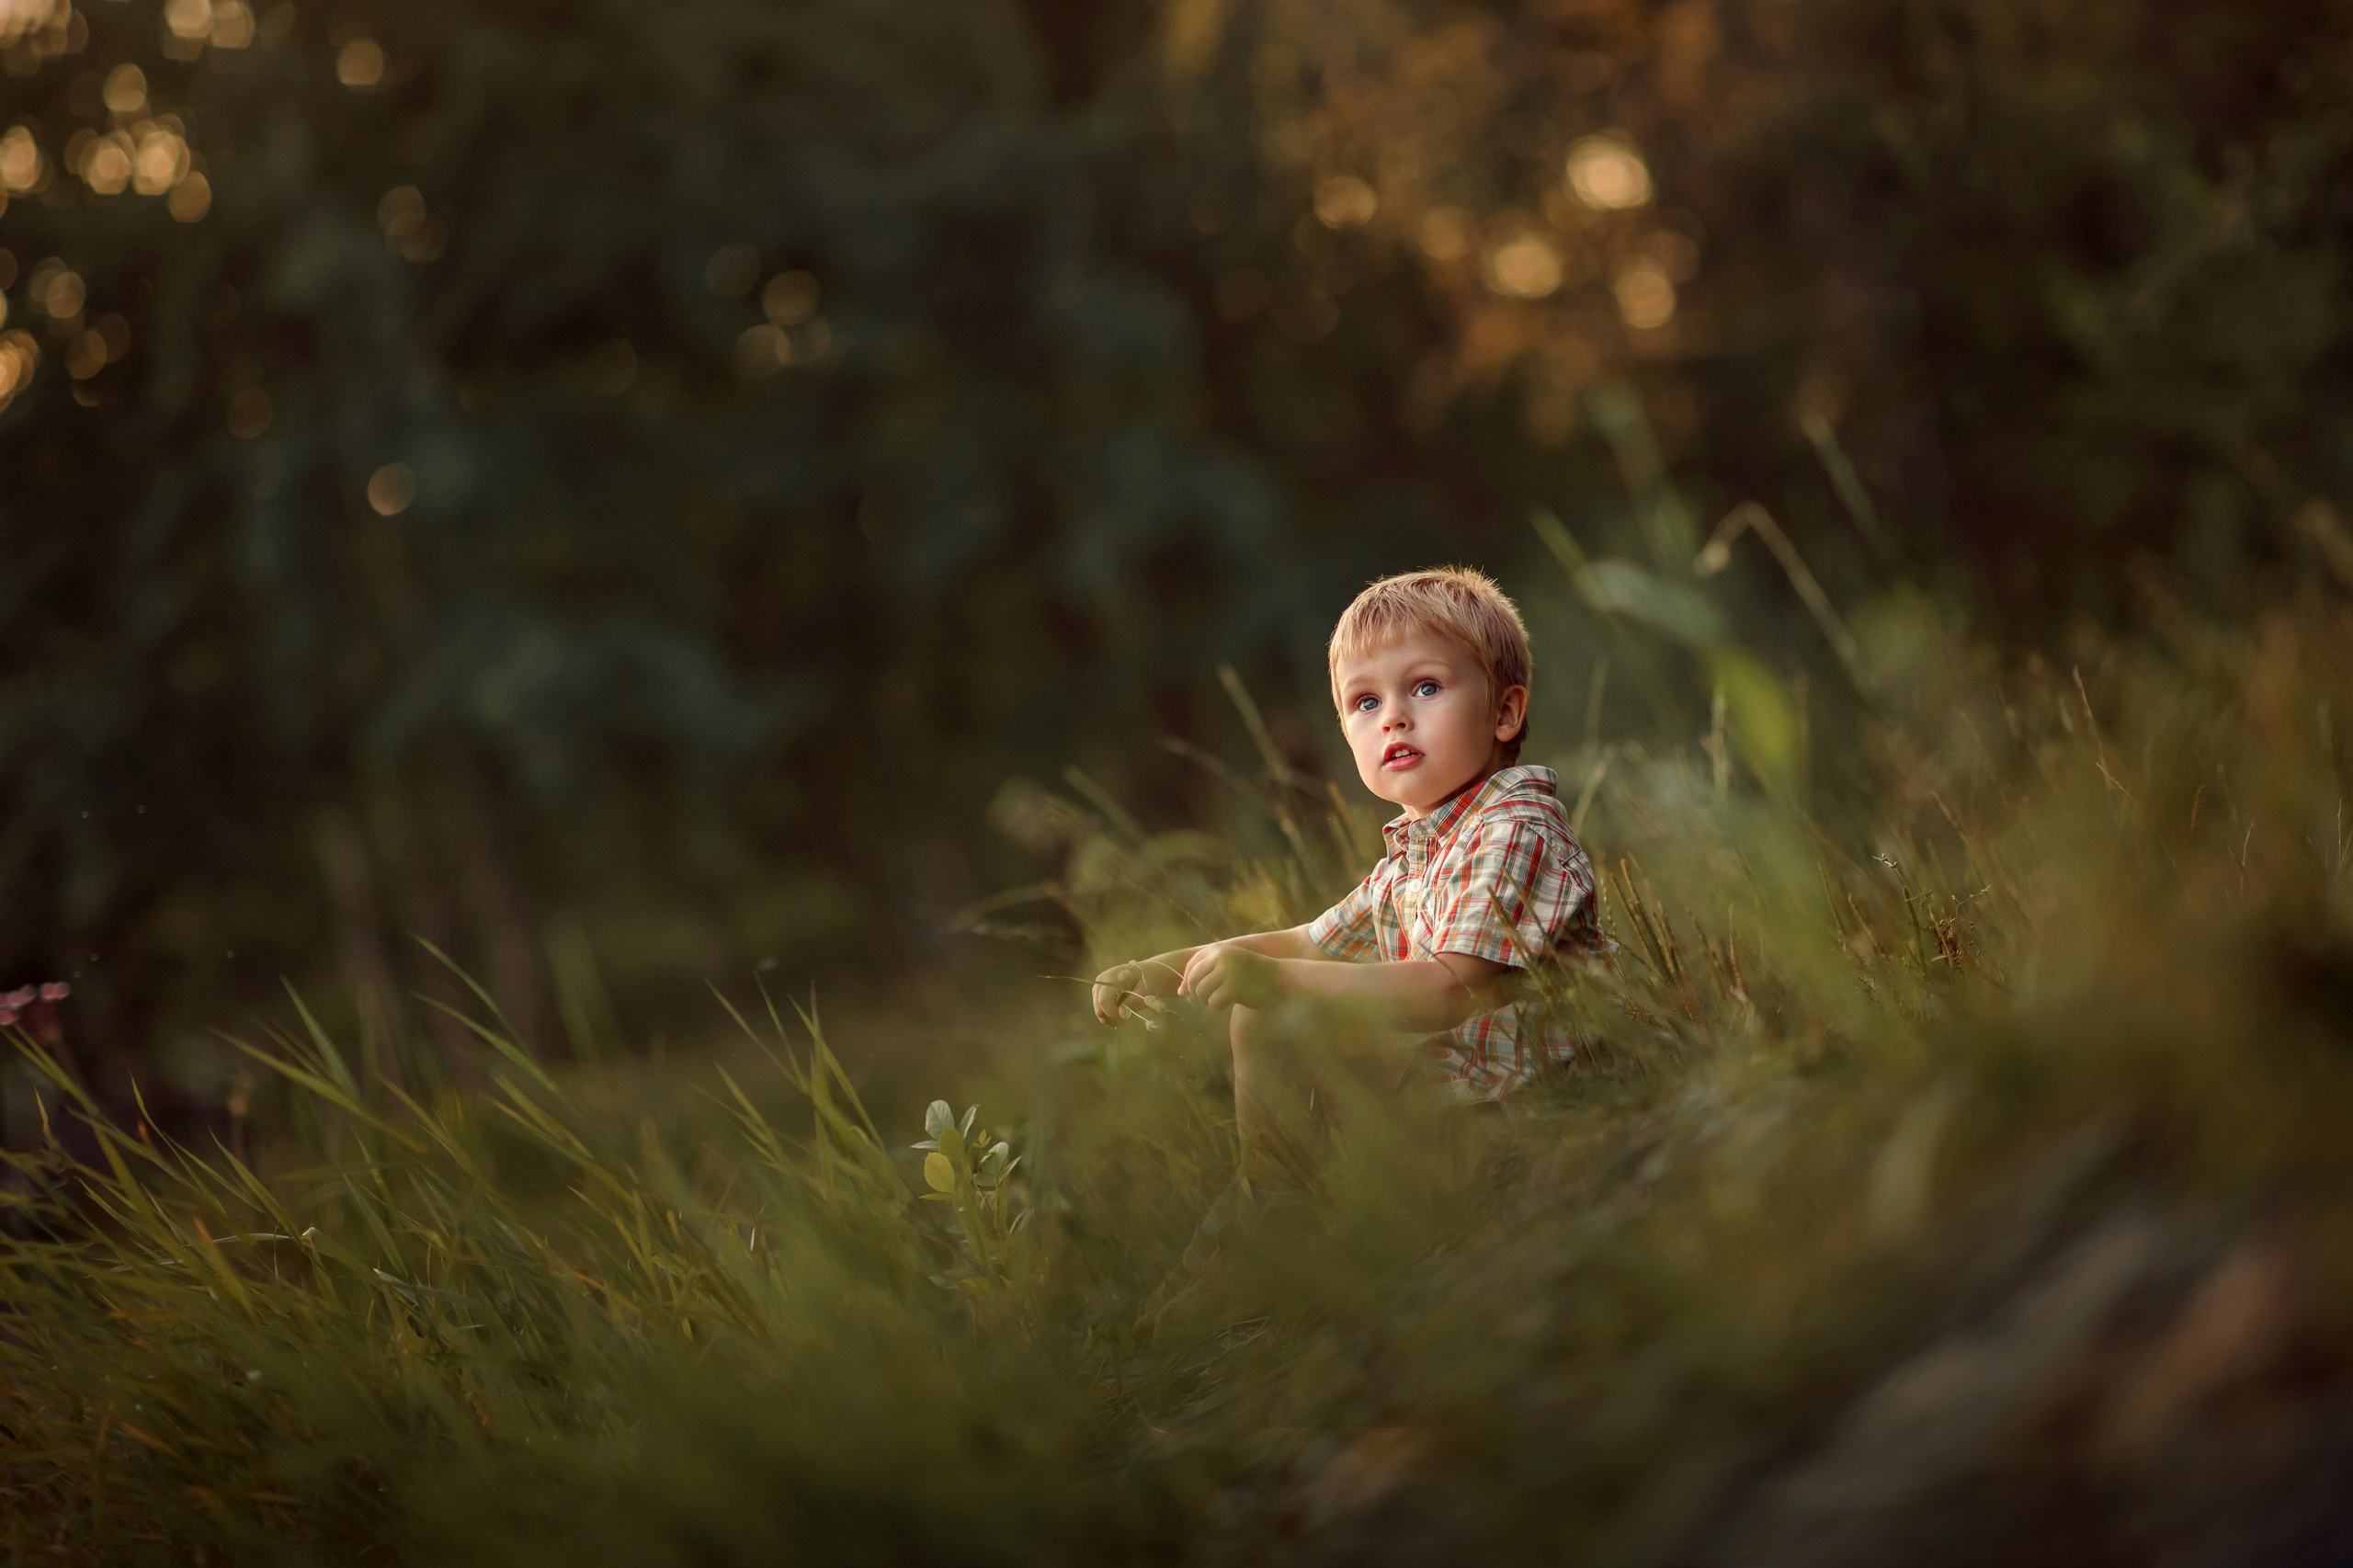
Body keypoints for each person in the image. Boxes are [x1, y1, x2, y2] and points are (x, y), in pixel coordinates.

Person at [1092, 565, 1601, 1197]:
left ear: (1504, 712)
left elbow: (1447, 992)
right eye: (1366, 702)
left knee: (1273, 1009)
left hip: (1530, 1123)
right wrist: (1162, 972)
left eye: (1424, 687)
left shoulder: (1512, 829)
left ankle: (1278, 1216)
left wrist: (1274, 982)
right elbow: (1306, 944)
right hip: (1460, 1107)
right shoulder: (1417, 855)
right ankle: (1275, 1207)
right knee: (1266, 1009)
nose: (1392, 718)